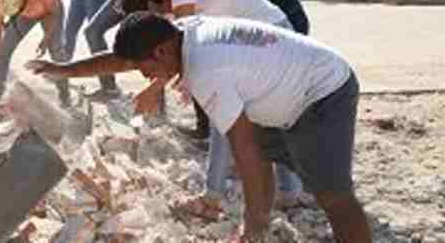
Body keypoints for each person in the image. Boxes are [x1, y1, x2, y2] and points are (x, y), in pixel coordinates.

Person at [27, 13, 372, 243]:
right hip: (280, 87)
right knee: (261, 153)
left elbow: (244, 150)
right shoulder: (181, 32)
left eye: (144, 67)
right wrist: (63, 69)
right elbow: (124, 58)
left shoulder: (208, 72)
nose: (143, 76)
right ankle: (259, 228)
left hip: (322, 91)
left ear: (161, 51)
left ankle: (256, 230)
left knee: (333, 194)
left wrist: (249, 226)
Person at [124, 0, 307, 215]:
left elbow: (179, 49)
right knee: (265, 115)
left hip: (267, 40)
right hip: (268, 38)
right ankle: (290, 191)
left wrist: (155, 88)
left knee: (225, 117)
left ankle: (212, 198)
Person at [0, 0, 71, 107]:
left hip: (50, 11)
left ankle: (64, 93)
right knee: (4, 50)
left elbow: (53, 14)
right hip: (25, 16)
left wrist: (46, 39)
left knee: (56, 50)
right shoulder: (1, 2)